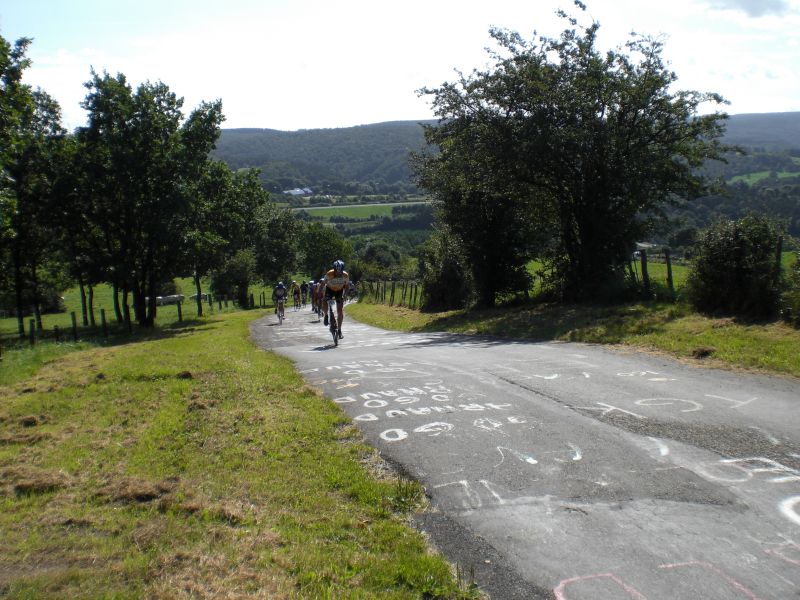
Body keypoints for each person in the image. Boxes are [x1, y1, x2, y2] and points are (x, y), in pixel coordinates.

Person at [323, 259, 349, 339]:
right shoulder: (329, 274)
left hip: (339, 291)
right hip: (329, 289)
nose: (339, 273)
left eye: (340, 272)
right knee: (324, 300)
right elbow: (323, 283)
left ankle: (339, 330)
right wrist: (322, 292)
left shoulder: (345, 275)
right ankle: (326, 315)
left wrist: (345, 294)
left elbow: (347, 286)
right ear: (334, 270)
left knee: (340, 310)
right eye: (337, 272)